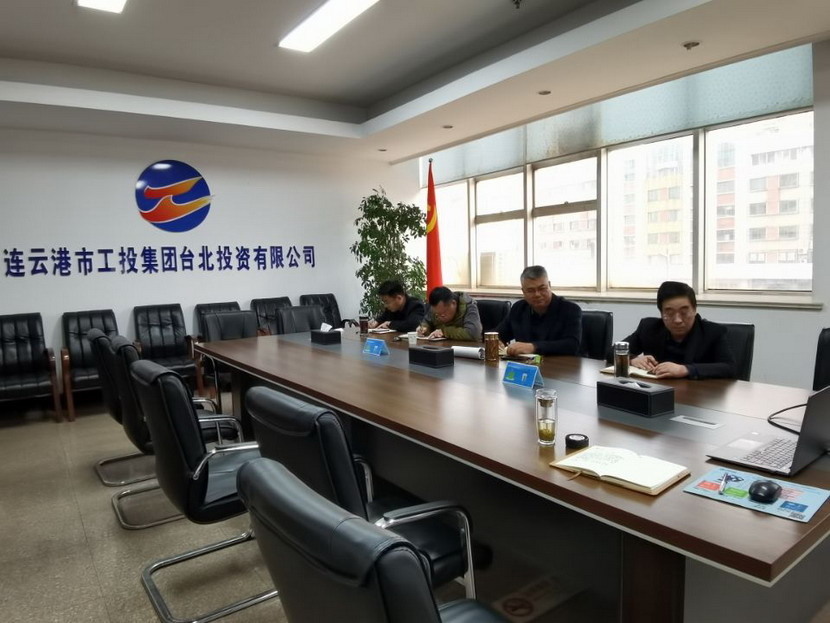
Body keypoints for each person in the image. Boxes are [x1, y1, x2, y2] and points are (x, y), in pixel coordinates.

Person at [613, 280, 736, 379]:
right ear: (661, 313)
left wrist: (685, 369)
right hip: (657, 392)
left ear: (694, 309)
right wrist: (632, 359)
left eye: (684, 312)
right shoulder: (649, 328)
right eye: (670, 313)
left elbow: (730, 368)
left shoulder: (713, 332)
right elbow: (612, 351)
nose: (677, 320)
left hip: (698, 395)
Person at [497, 265, 582, 356]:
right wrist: (495, 341)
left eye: (542, 288)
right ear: (523, 291)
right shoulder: (518, 308)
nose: (537, 294)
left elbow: (572, 345)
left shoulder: (570, 309)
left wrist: (533, 347)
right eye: (531, 290)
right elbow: (499, 334)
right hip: (525, 364)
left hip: (561, 363)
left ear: (549, 285)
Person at [417, 287, 482, 341]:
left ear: (453, 303)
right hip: (440, 347)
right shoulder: (436, 308)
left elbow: (474, 333)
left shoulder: (468, 305)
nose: (439, 317)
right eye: (436, 314)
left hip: (465, 348)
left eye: (443, 314)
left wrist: (444, 332)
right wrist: (423, 329)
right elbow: (427, 323)